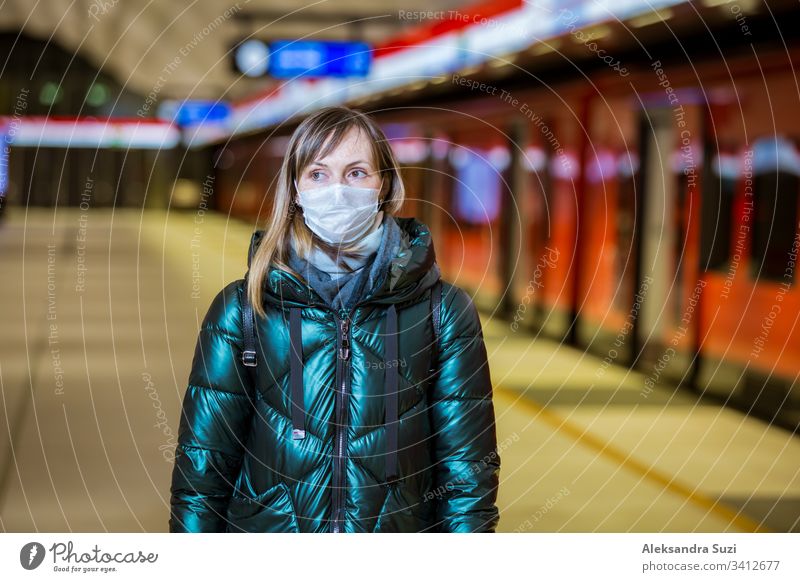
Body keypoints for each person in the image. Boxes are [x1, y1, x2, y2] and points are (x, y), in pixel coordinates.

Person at [169, 105, 500, 533]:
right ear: (296, 188)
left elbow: (467, 473)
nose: (338, 191)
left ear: (384, 185)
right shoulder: (243, 310)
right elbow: (203, 468)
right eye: (318, 174)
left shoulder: (443, 312)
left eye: (357, 173)